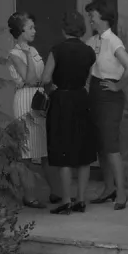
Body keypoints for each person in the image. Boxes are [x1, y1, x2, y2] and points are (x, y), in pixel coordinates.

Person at [44, 11, 99, 213]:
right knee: (83, 151)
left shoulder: (57, 50)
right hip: (81, 99)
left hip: (62, 99)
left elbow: (45, 78)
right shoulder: (89, 51)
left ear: (64, 28)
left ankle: (66, 200)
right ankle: (81, 199)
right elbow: (88, 78)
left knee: (63, 149)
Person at [86, 0, 128, 210]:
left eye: (93, 15)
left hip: (110, 95)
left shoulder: (113, 41)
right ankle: (108, 188)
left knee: (111, 143)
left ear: (103, 18)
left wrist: (118, 86)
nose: (90, 19)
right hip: (96, 92)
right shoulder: (92, 40)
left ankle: (121, 192)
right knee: (101, 145)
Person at [6, 11, 50, 210]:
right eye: (30, 27)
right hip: (25, 99)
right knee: (27, 150)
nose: (34, 30)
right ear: (20, 30)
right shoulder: (15, 54)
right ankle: (29, 195)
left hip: (39, 98)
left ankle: (53, 190)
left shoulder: (33, 50)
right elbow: (30, 78)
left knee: (43, 147)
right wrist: (27, 56)